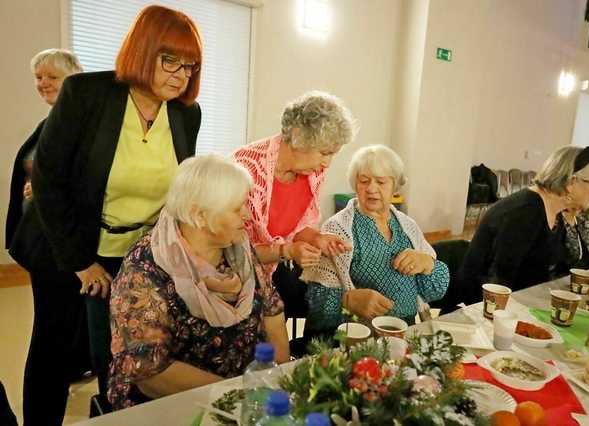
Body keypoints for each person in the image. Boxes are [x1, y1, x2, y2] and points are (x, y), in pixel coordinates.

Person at [9, 5, 203, 415]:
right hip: (66, 242)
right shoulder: (87, 94)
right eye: (171, 60)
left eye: (190, 66)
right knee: (55, 346)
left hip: (135, 253)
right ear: (143, 51)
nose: (181, 74)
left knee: (120, 354)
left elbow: (180, 190)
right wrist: (81, 262)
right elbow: (48, 180)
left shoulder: (187, 113)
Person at [108, 154, 289, 410]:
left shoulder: (238, 245)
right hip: (173, 405)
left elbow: (272, 309)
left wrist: (279, 377)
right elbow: (150, 372)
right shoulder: (145, 268)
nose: (248, 215)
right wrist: (237, 397)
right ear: (200, 216)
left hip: (246, 391)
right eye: (237, 208)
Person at [5, 48, 87, 426]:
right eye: (39, 77)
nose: (43, 84)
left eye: (51, 77)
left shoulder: (79, 124)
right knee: (53, 333)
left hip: (63, 250)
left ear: (75, 78)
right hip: (44, 248)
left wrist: (42, 186)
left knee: (50, 338)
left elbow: (79, 180)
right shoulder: (51, 122)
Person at [233, 91, 356, 321]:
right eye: (324, 153)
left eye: (333, 154)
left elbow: (299, 225)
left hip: (271, 271)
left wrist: (317, 239)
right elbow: (232, 252)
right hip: (233, 280)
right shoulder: (245, 167)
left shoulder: (313, 172)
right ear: (298, 137)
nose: (326, 163)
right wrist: (286, 251)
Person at [302, 145, 449, 336]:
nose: (371, 189)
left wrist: (427, 263)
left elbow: (436, 291)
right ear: (355, 184)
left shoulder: (408, 227)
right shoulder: (337, 229)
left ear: (395, 186)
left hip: (406, 332)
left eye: (381, 182)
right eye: (364, 181)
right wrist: (347, 300)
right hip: (357, 336)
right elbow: (316, 305)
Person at [458, 145, 589, 303]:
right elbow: (498, 283)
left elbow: (549, 271)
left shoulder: (555, 212)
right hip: (479, 309)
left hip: (521, 303)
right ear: (572, 182)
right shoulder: (524, 213)